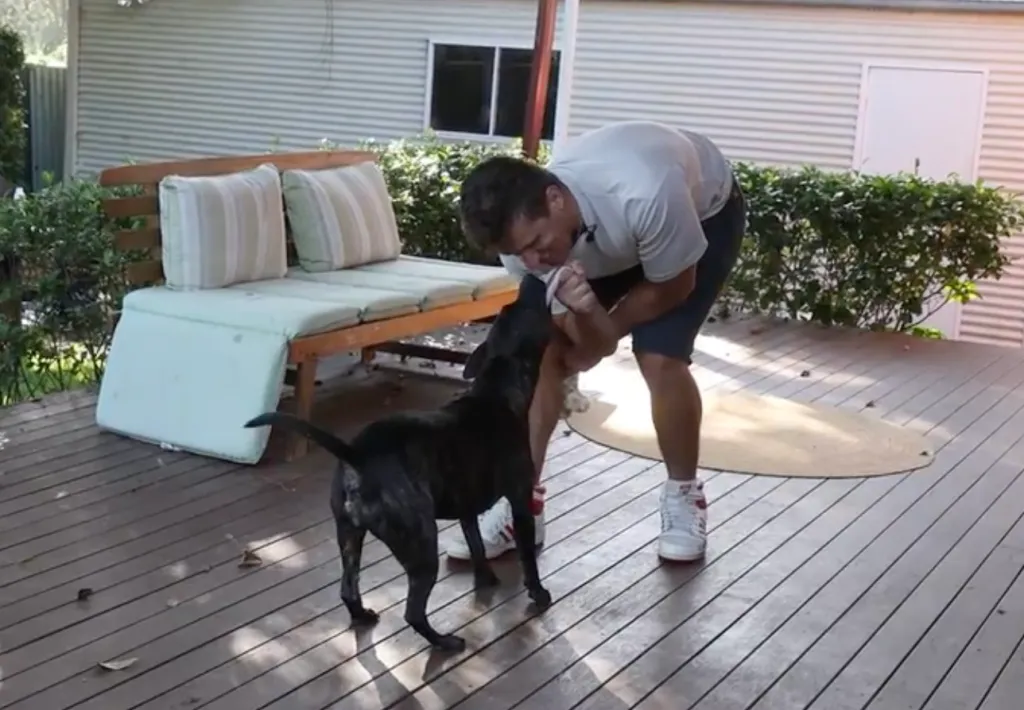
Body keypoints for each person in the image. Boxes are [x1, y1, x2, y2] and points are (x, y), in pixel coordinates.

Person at [448, 120, 746, 563]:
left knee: (659, 354)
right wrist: (584, 326)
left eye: (536, 243)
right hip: (605, 232)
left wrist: (594, 339)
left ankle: (684, 496)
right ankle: (520, 501)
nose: (533, 261)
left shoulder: (648, 192)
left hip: (702, 213)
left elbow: (672, 287)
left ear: (555, 198)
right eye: (519, 253)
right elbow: (587, 339)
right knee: (538, 351)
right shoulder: (526, 248)